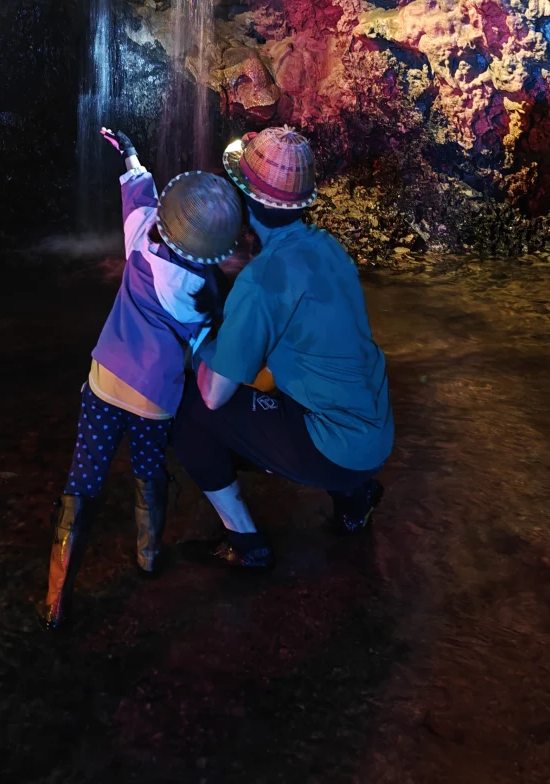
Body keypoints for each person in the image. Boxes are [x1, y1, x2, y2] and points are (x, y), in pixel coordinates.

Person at [43, 126, 243, 628]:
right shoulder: (204, 295)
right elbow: (203, 353)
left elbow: (139, 197)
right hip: (156, 400)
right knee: (149, 471)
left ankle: (55, 600)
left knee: (82, 482)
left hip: (106, 381)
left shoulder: (141, 246)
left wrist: (132, 156)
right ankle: (149, 559)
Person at [172, 126, 394, 570]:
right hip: (376, 434)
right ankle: (354, 501)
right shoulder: (329, 249)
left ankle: (245, 542)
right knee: (298, 389)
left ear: (246, 202)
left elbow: (216, 393)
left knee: (191, 409)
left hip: (335, 449)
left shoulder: (261, 280)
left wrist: (196, 341)